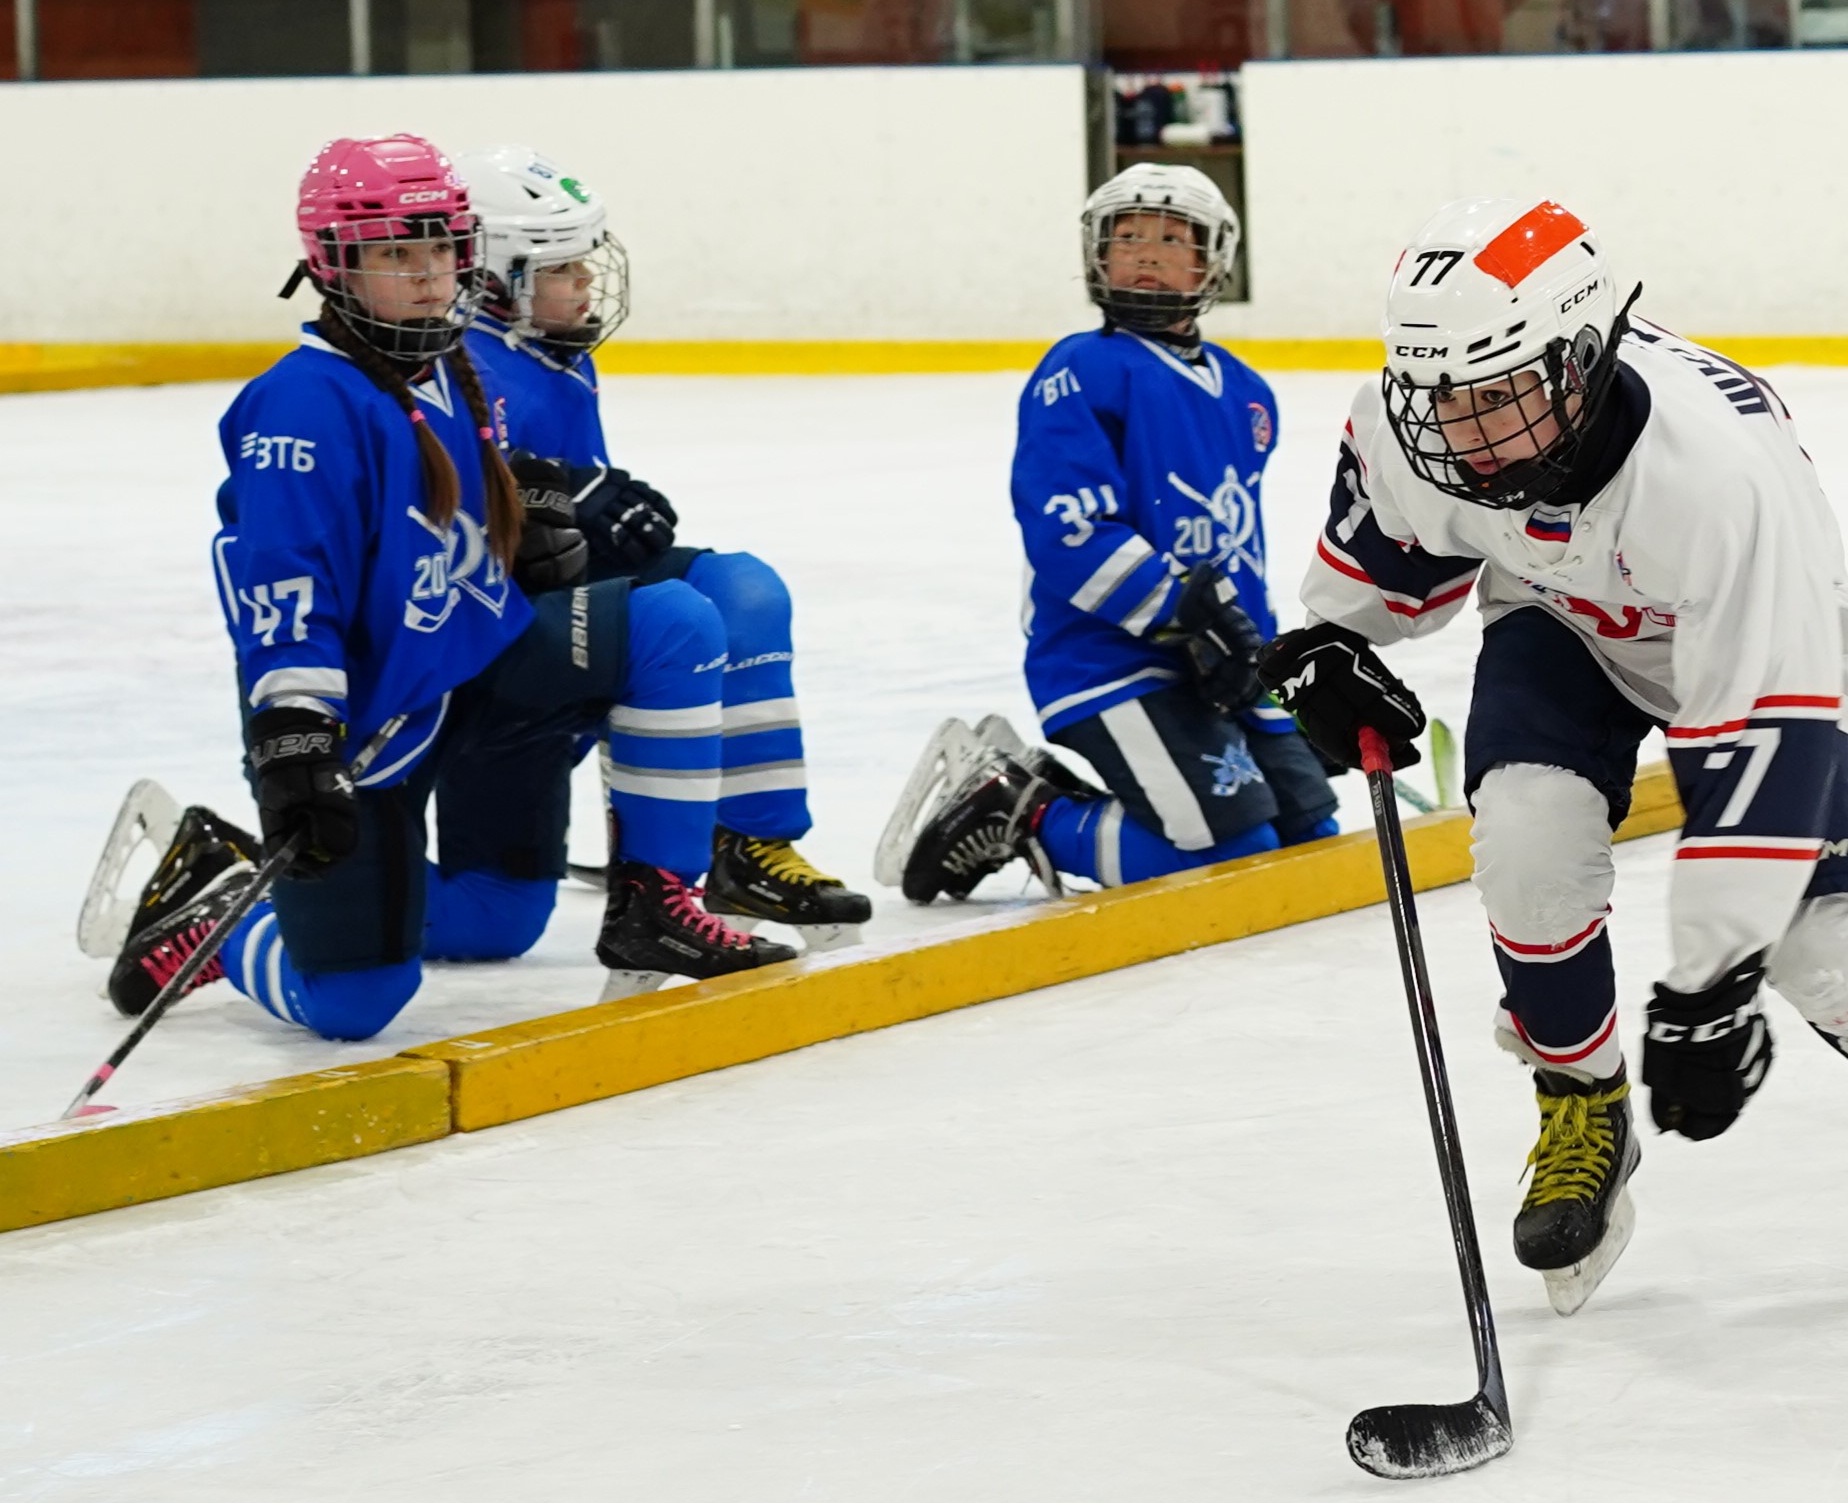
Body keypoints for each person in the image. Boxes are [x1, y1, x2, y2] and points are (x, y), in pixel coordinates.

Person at [1257, 196, 1848, 1311]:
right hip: (1564, 621)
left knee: (1820, 946)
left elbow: (1758, 754)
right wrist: (1329, 645)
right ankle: (1581, 1105)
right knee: (1523, 836)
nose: (1464, 435)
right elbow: (1391, 563)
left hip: (1762, 644)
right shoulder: (1416, 412)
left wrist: (1709, 985)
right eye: (1442, 403)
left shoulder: (1719, 485)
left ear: (1582, 359)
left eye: (1500, 398)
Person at [100, 135, 794, 1040]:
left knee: (669, 626)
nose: (429, 276)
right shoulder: (305, 405)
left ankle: (655, 904)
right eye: (397, 254)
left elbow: (457, 512)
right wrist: (294, 739)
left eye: (441, 248)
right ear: (332, 265)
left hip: (475, 676)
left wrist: (533, 530)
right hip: (362, 724)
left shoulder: (448, 369)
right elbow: (282, 591)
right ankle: (225, 913)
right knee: (354, 1005)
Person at [452, 143, 872, 957]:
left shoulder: (556, 355)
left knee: (742, 592)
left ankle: (745, 846)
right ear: (494, 272)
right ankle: (265, 897)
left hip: (567, 609)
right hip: (495, 658)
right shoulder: (459, 363)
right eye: (563, 266)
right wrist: (558, 489)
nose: (587, 282)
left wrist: (582, 502)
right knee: (490, 920)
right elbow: (464, 505)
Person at [890, 164, 1337, 901]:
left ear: (1212, 258)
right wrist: (1183, 614)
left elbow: (1236, 550)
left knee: (1309, 833)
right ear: (1097, 253)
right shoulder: (1080, 369)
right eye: (1127, 237)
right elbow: (1068, 529)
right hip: (1107, 663)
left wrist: (1264, 661)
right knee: (1232, 855)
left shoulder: (1249, 392)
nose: (1148, 253)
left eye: (1170, 238)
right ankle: (1023, 806)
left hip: (1216, 661)